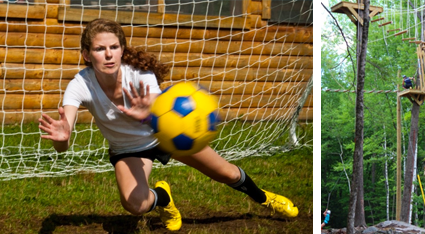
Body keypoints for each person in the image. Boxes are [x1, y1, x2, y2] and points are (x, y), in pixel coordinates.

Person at [37, 18, 298, 231]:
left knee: (227, 174)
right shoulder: (79, 85)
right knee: (135, 205)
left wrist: (148, 115)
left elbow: (154, 107)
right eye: (99, 49)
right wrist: (63, 138)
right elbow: (64, 136)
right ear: (86, 54)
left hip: (165, 134)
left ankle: (264, 199)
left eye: (114, 47)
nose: (108, 55)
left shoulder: (138, 74)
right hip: (128, 150)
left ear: (122, 50)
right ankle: (163, 198)